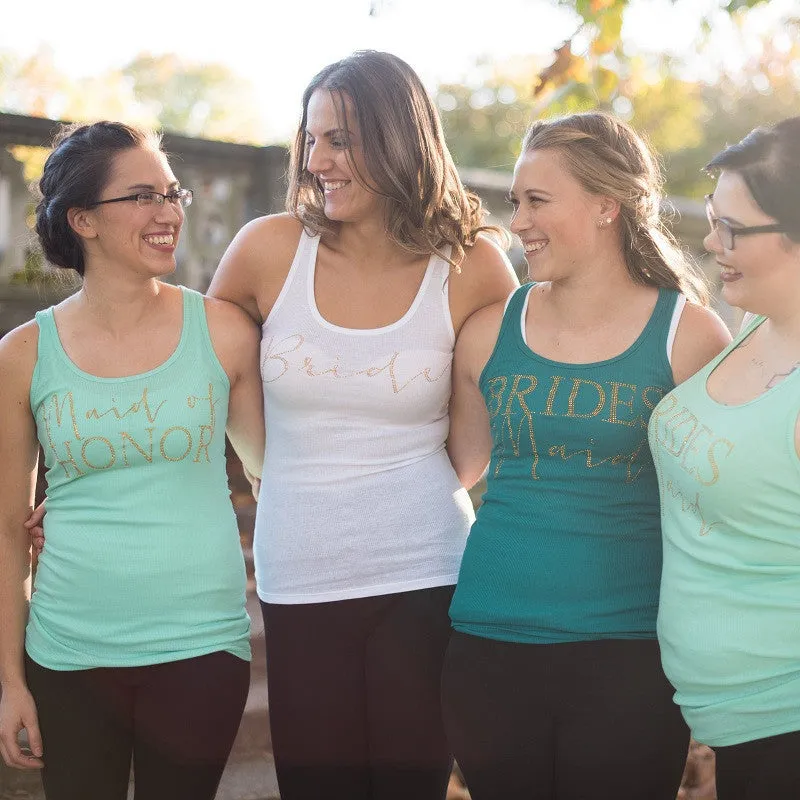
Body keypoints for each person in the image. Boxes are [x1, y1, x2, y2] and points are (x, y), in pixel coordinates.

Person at [207, 50, 518, 800]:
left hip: (429, 571)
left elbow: (477, 442)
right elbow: (202, 375)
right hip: (299, 573)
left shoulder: (473, 263)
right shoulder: (266, 249)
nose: (318, 160)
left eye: (340, 140)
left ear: (400, 139)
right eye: (311, 140)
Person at [439, 111, 732, 800]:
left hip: (628, 656)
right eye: (517, 201)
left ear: (608, 205)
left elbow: (719, 505)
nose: (520, 221)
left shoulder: (689, 337)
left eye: (538, 200)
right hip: (487, 646)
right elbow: (454, 469)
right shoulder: (487, 333)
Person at [0, 121, 265, 800]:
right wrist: (9, 683)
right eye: (144, 195)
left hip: (202, 648)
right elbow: (5, 531)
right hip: (68, 652)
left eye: (173, 193)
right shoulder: (23, 356)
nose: (169, 212)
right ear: (82, 219)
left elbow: (275, 477)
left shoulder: (225, 333)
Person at [649, 116, 800, 799]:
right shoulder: (758, 320)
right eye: (713, 218)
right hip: (741, 736)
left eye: (732, 229)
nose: (711, 242)